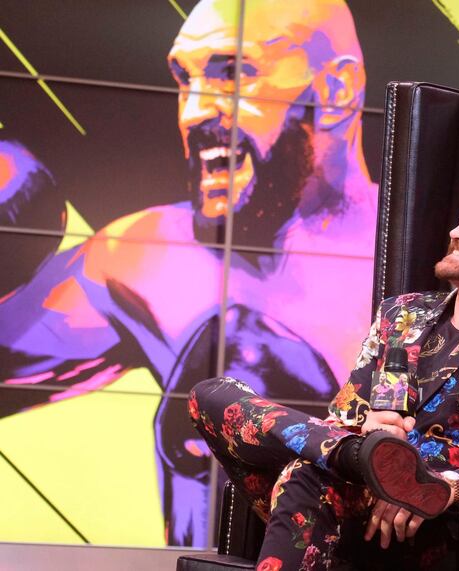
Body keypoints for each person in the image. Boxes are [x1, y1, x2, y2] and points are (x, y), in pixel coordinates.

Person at [0, 0, 375, 546]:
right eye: (184, 78)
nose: (194, 112)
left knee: (254, 361)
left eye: (234, 73)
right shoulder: (143, 256)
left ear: (337, 90)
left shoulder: (423, 264)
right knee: (232, 370)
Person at [190, 190, 459, 569]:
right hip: (358, 483)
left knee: (305, 476)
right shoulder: (401, 313)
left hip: (432, 520)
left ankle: (375, 466)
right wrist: (366, 434)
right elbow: (342, 418)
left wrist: (439, 486)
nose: (457, 232)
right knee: (209, 396)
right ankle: (359, 456)